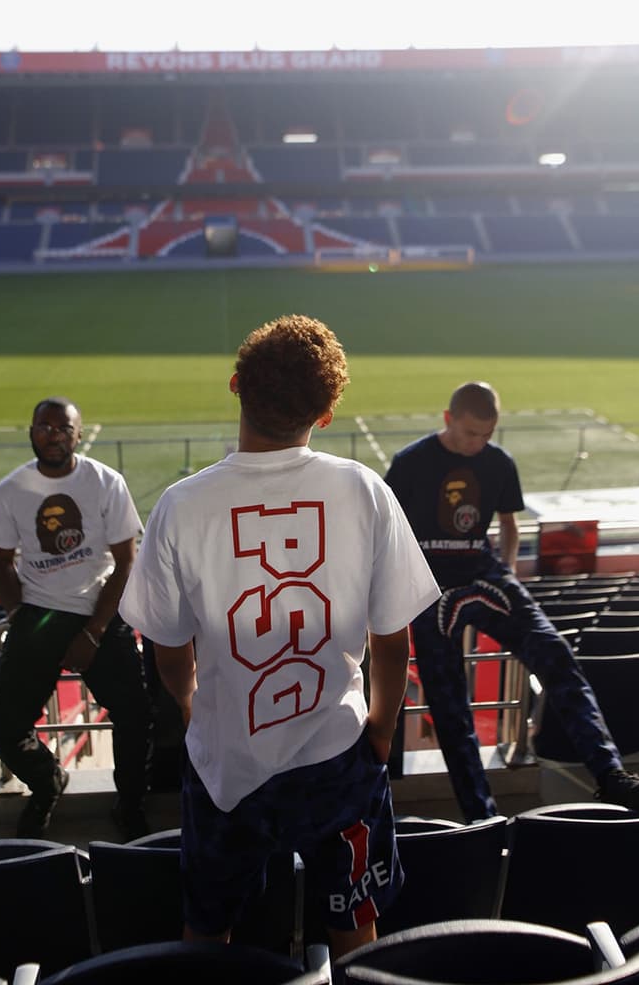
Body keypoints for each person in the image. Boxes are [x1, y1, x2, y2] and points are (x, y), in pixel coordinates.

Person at [120, 315, 439, 958]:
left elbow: (168, 646)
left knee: (209, 929)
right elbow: (392, 637)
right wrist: (380, 728)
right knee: (355, 927)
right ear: (325, 414)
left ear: (236, 385)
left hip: (228, 761)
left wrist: (189, 707)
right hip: (339, 754)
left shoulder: (180, 506)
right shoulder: (364, 489)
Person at [384, 380, 639, 823]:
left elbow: (509, 523)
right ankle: (481, 816)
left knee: (556, 654)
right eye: (468, 434)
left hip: (485, 574)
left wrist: (508, 569)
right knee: (448, 702)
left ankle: (612, 777)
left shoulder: (498, 462)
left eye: (486, 435)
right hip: (429, 584)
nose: (477, 444)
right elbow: (388, 536)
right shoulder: (410, 464)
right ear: (448, 420)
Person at [0, 396, 153, 840]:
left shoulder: (104, 481)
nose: (53, 435)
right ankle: (47, 783)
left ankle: (130, 803)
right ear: (31, 432)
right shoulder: (12, 489)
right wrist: (19, 616)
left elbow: (126, 561)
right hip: (38, 615)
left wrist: (94, 632)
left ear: (78, 434)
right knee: (2, 725)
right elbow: (2, 562)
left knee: (135, 717)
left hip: (99, 613)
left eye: (63, 428)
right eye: (44, 426)